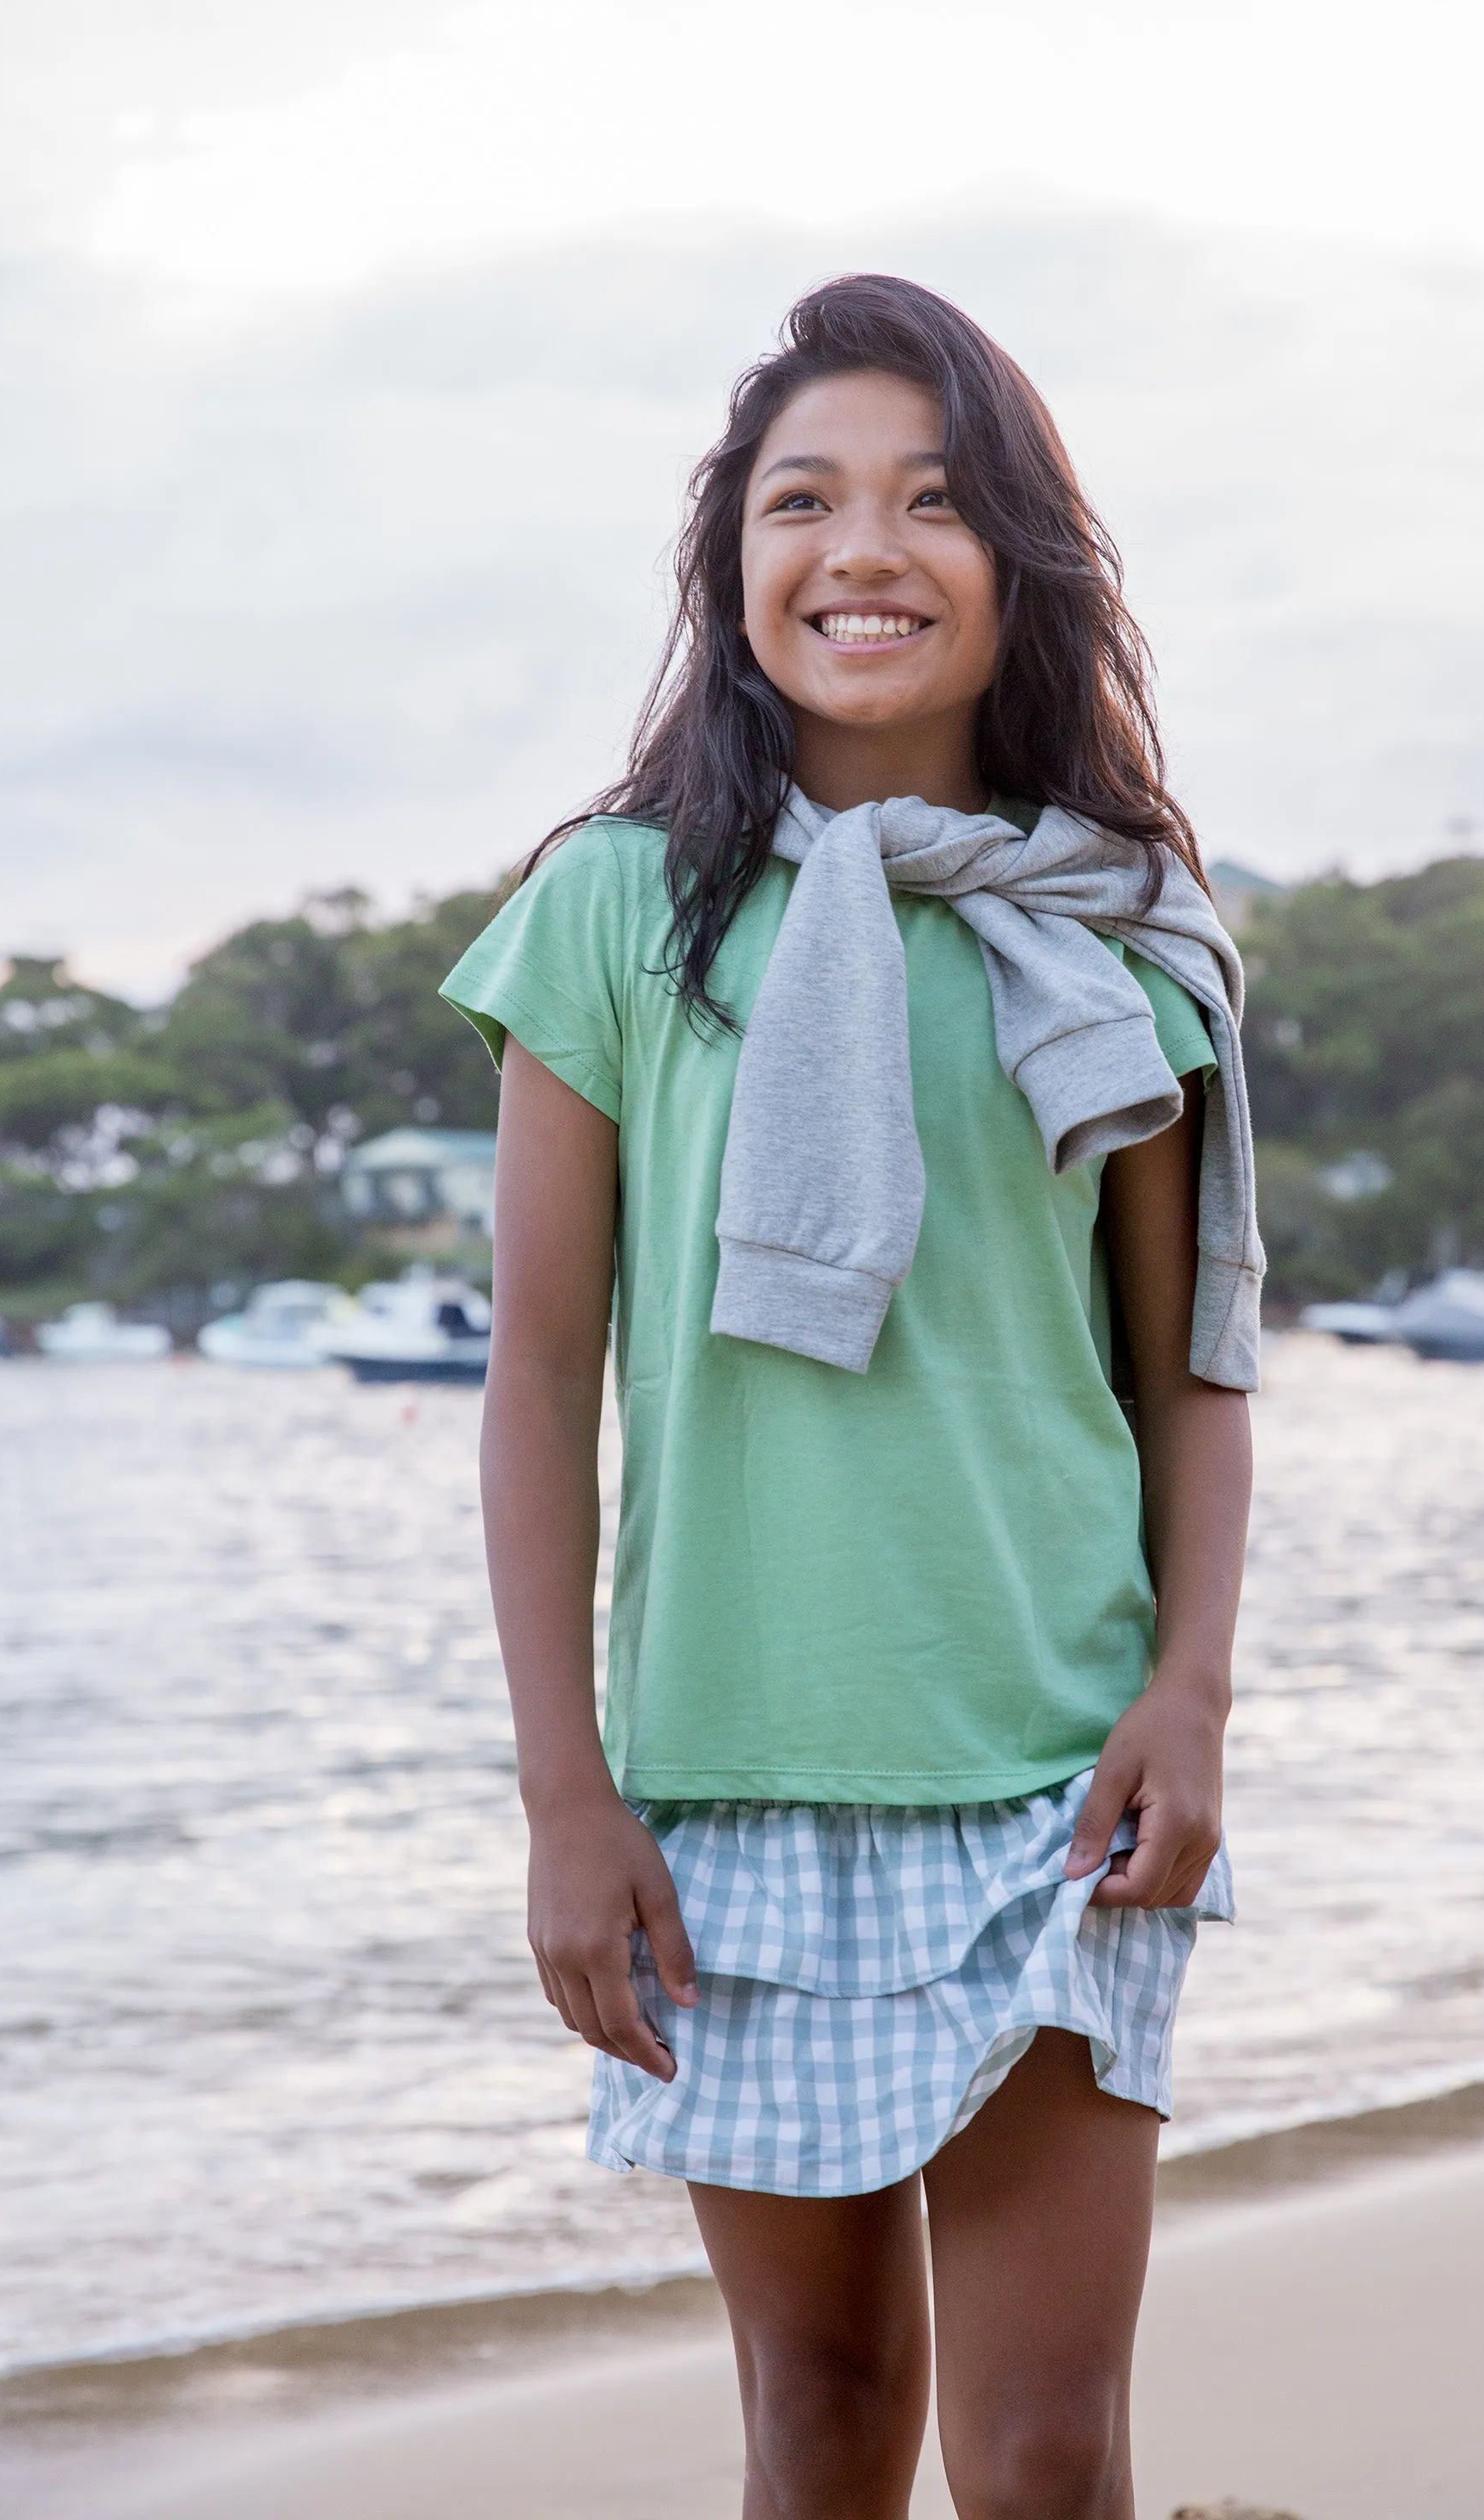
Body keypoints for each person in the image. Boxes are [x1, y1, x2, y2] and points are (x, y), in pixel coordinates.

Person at [441, 273, 1262, 2520]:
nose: (859, 550)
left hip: (1050, 1777)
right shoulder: (616, 918)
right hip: (726, 1787)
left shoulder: (1122, 929)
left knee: (1047, 2450)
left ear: (1023, 564)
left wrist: (1190, 1694)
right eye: (802, 500)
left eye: (927, 500)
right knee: (815, 2422)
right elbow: (535, 1383)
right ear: (733, 572)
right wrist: (565, 1801)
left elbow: (1192, 1366)